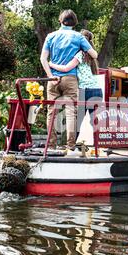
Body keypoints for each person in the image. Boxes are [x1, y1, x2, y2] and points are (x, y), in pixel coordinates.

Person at [40, 10, 98, 150]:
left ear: (60, 20)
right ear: (75, 23)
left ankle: (51, 145)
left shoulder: (51, 36)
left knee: (51, 111)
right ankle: (71, 145)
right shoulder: (78, 37)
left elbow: (43, 58)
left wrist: (51, 76)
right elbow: (94, 55)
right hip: (70, 79)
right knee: (71, 111)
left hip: (53, 78)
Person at [48, 29, 103, 137]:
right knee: (95, 121)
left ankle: (71, 147)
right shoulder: (91, 56)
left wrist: (51, 64)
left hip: (84, 91)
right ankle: (98, 147)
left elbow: (66, 68)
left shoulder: (80, 54)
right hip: (97, 91)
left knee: (76, 121)